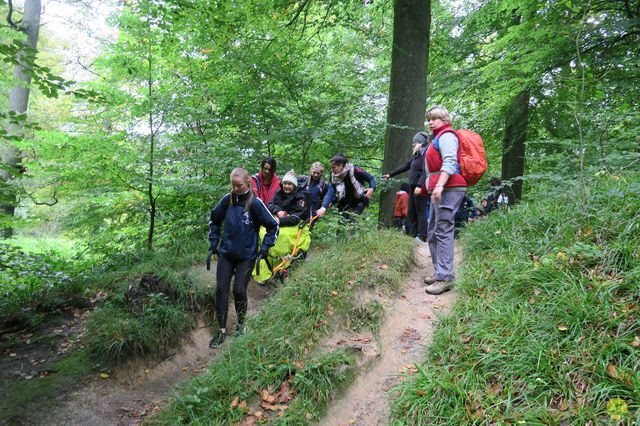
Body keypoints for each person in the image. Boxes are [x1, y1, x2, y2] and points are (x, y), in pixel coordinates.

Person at [208, 167, 279, 348]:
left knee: (239, 290)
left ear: (247, 183)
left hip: (246, 256)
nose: (235, 188)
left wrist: (264, 248)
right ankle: (222, 330)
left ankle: (241, 325)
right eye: (233, 185)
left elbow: (273, 226)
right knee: (220, 290)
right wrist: (213, 243)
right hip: (226, 253)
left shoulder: (255, 203)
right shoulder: (227, 200)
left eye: (239, 185)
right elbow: (214, 220)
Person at [421, 106, 467, 295]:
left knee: (443, 230)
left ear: (445, 120)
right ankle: (440, 271)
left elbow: (449, 162)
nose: (431, 122)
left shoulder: (448, 136)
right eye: (429, 119)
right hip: (440, 188)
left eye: (435, 119)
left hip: (449, 188)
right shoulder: (437, 138)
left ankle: (446, 277)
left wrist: (439, 185)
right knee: (433, 231)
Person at [382, 132, 430, 243]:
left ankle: (422, 236)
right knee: (411, 212)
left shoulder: (426, 154)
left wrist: (419, 185)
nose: (412, 145)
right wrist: (390, 174)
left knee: (421, 212)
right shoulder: (417, 155)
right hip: (413, 188)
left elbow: (425, 172)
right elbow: (406, 165)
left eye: (414, 143)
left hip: (420, 188)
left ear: (421, 143)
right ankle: (413, 235)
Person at [316, 154, 376, 221]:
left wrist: (372, 188)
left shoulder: (355, 169)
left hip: (359, 200)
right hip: (344, 202)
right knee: (341, 224)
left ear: (341, 166)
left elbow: (370, 178)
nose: (332, 170)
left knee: (352, 220)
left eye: (333, 167)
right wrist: (324, 207)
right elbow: (331, 191)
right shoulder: (333, 176)